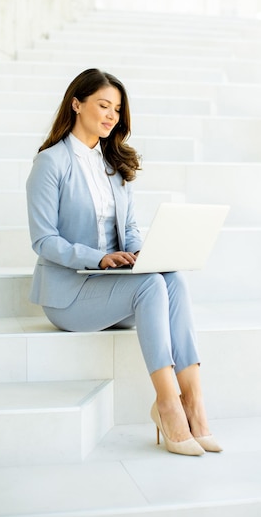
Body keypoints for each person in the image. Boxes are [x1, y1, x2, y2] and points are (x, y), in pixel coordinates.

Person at [26, 68, 221, 456]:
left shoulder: (113, 165)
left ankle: (193, 402)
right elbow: (44, 241)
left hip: (113, 289)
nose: (111, 115)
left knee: (173, 278)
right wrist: (99, 258)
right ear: (76, 104)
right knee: (150, 286)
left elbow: (128, 229)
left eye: (117, 108)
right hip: (70, 297)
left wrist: (143, 255)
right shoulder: (51, 163)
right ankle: (167, 405)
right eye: (103, 105)